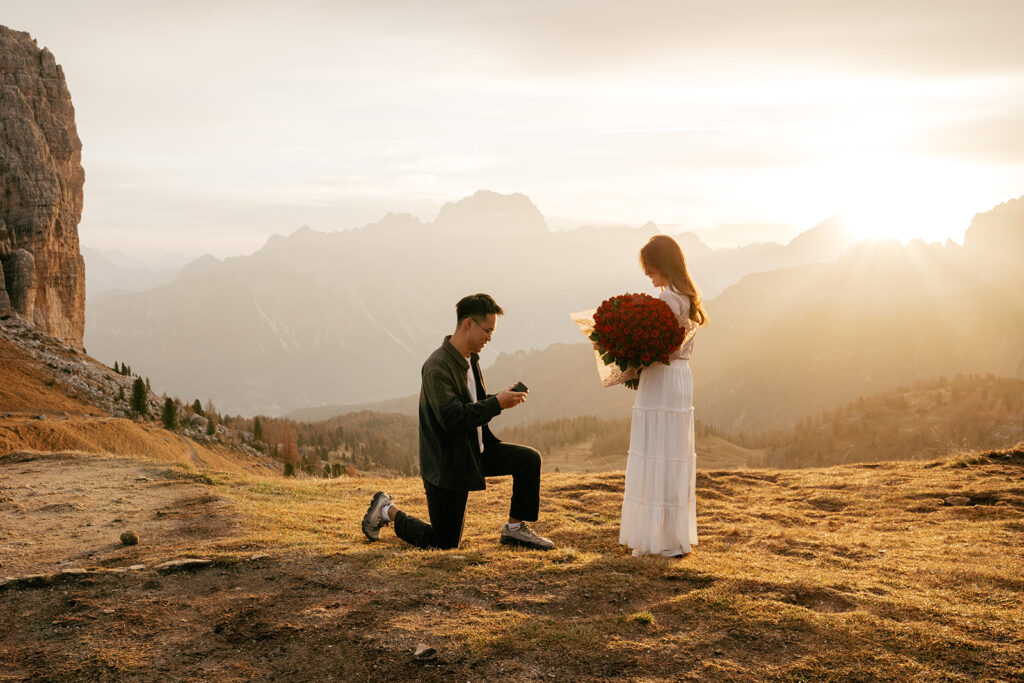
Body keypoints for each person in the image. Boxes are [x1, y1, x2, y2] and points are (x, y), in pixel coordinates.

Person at [361, 293, 554, 551]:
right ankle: (386, 510)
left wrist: (500, 397)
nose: (490, 338)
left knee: (529, 459)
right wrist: (497, 404)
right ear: (468, 324)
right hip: (447, 465)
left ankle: (515, 529)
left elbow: (472, 403)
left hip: (475, 452)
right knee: (444, 543)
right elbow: (452, 417)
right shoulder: (437, 367)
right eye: (487, 330)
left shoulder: (470, 359)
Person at [620, 235, 708, 558]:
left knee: (657, 449)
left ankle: (657, 539)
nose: (650, 278)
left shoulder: (669, 301)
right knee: (671, 453)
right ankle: (670, 535)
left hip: (662, 377)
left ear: (663, 266)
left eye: (652, 271)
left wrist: (630, 352)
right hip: (680, 377)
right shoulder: (687, 296)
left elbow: (662, 349)